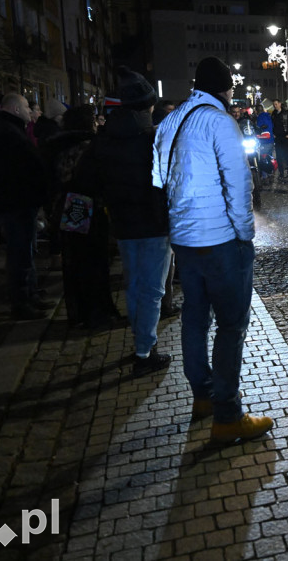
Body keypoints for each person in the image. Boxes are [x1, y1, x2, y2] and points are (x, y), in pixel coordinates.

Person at [152, 57, 271, 443]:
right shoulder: (221, 121)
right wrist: (244, 234)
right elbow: (238, 186)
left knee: (195, 318)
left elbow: (158, 178)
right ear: (225, 89)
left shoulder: (170, 121)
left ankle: (202, 396)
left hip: (184, 239)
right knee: (232, 325)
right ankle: (227, 416)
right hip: (220, 239)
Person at [95, 68, 173, 375]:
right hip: (154, 224)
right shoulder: (153, 139)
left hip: (124, 223)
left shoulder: (105, 139)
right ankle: (144, 352)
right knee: (153, 289)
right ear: (148, 105)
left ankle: (142, 342)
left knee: (135, 285)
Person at [45, 106, 117, 329]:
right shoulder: (90, 144)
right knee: (94, 257)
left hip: (67, 204)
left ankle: (80, 310)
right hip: (87, 203)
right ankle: (97, 311)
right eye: (94, 120)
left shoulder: (55, 144)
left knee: (75, 259)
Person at [0, 93, 53, 320]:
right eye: (26, 106)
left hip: (20, 201)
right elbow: (20, 170)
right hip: (17, 203)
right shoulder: (8, 133)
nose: (30, 111)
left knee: (26, 252)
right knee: (20, 254)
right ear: (15, 109)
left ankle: (30, 295)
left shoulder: (9, 130)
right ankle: (21, 302)